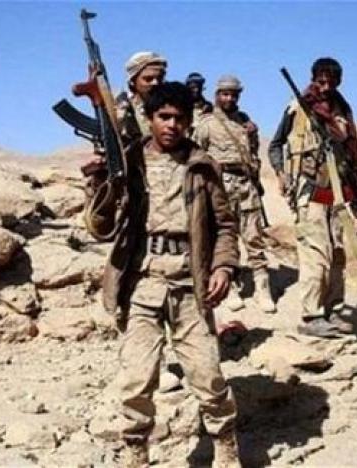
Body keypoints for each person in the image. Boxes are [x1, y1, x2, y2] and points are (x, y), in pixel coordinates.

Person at [83, 82, 241, 466]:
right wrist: (100, 184)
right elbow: (101, 228)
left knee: (207, 375)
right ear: (149, 118)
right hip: (143, 282)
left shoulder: (201, 165)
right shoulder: (130, 162)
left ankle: (225, 448)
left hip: (190, 283)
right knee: (136, 378)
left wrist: (223, 266)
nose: (171, 125)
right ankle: (135, 452)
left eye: (179, 118)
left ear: (189, 121)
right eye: (163, 117)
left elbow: (225, 224)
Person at [268, 57, 357, 338]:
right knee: (315, 255)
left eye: (331, 82)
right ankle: (312, 314)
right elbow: (275, 145)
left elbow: (351, 149)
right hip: (310, 191)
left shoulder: (343, 110)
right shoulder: (298, 107)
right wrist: (281, 174)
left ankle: (334, 309)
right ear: (313, 78)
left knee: (337, 255)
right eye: (321, 81)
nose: (326, 87)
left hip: (338, 192)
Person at [193, 75, 275, 313]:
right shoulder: (207, 124)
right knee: (223, 236)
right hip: (221, 187)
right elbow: (196, 156)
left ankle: (262, 288)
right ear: (217, 95)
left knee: (254, 237)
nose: (229, 98)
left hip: (246, 186)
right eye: (225, 94)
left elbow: (253, 153)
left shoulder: (245, 123)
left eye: (233, 95)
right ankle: (230, 286)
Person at [117, 51, 167, 142]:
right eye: (148, 79)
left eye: (160, 78)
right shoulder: (123, 109)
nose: (155, 83)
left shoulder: (172, 107)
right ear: (133, 81)